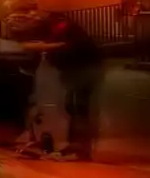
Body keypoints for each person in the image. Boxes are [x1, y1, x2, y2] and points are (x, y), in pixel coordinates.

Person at [45, 19, 105, 160]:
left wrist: (52, 49)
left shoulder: (63, 30)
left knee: (78, 107)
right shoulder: (67, 31)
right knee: (75, 106)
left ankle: (80, 147)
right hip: (83, 69)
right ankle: (78, 145)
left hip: (82, 70)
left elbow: (65, 50)